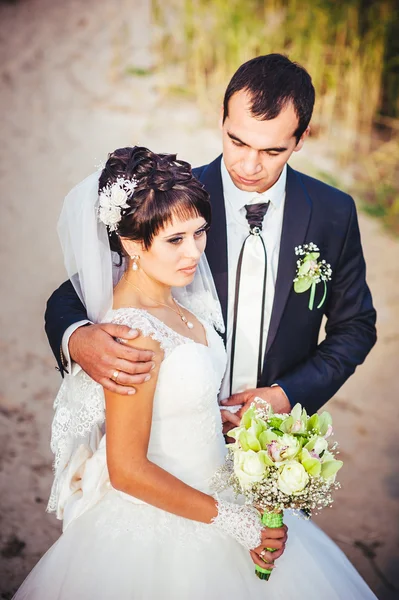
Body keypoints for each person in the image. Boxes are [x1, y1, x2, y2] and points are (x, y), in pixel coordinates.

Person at [15, 147, 376, 599]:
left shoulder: (179, 301)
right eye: (175, 240)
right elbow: (126, 469)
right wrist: (234, 521)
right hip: (166, 521)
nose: (193, 252)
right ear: (129, 243)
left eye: (199, 233)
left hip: (216, 481)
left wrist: (210, 412)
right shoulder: (131, 337)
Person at [45, 54, 376, 437]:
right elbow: (70, 295)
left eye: (272, 151)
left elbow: (355, 327)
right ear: (222, 117)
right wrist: (78, 337)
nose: (249, 165)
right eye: (237, 141)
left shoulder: (333, 212)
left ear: (301, 139)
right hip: (178, 434)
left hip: (278, 444)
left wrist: (289, 394)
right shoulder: (175, 199)